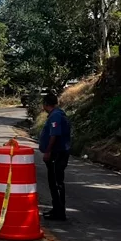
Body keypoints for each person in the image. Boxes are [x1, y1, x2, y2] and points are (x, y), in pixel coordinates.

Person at [39, 93, 71, 221]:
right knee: (53, 182)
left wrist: (48, 151)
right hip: (58, 152)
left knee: (56, 182)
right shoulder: (56, 114)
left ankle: (59, 212)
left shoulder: (56, 116)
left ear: (46, 104)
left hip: (57, 153)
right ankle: (56, 208)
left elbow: (54, 135)